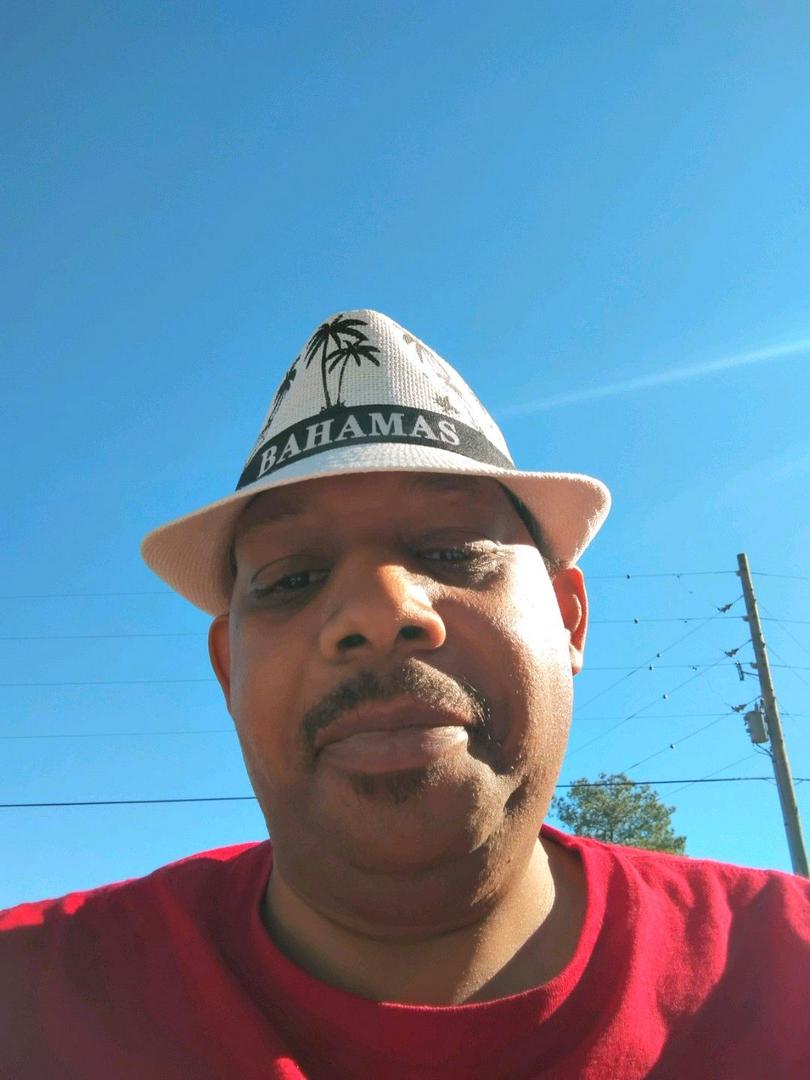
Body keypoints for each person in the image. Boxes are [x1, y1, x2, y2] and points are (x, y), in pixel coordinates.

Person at [1, 309, 807, 1079]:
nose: (379, 611)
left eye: (454, 551)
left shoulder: (790, 963)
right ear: (228, 669)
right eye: (294, 578)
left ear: (568, 618)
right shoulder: (26, 996)